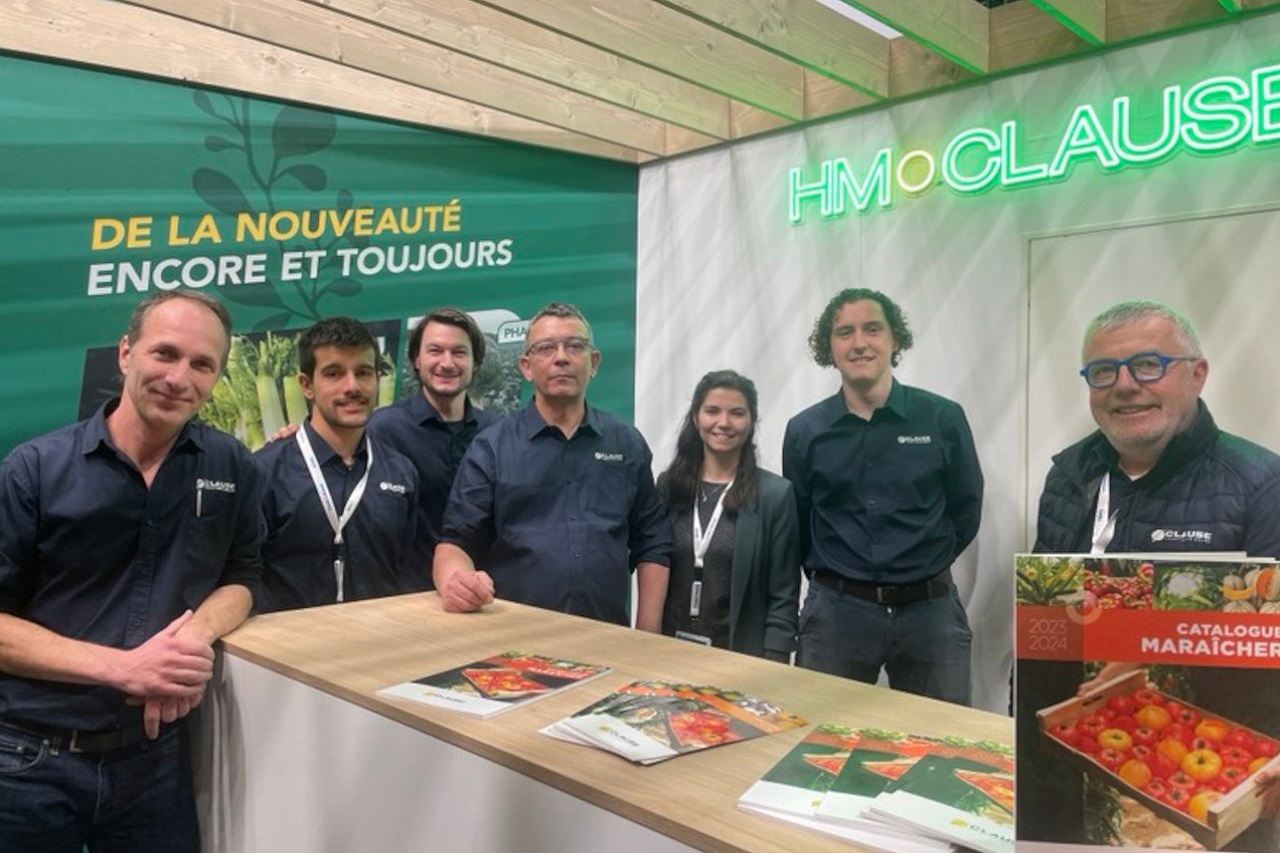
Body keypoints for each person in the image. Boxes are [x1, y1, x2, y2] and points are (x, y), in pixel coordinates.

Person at [0, 291, 264, 851]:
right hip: (29, 761)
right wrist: (125, 669)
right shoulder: (35, 468)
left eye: (201, 364)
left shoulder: (231, 464)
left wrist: (193, 636)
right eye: (164, 353)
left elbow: (243, 576)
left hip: (156, 762)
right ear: (126, 353)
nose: (178, 378)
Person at [1018, 299, 1280, 848]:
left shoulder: (1260, 483)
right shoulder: (1067, 476)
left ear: (1197, 374)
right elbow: (1046, 611)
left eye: (1148, 365)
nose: (1124, 386)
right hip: (1079, 752)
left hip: (1217, 775)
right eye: (1103, 371)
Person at [782, 287, 983, 705]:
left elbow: (966, 507)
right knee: (818, 734)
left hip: (930, 613)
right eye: (845, 333)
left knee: (942, 737)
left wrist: (921, 561)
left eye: (872, 329)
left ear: (894, 340)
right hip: (837, 614)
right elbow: (798, 523)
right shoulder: (805, 431)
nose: (859, 343)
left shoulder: (942, 418)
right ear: (830, 347)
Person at [433, 302, 672, 629]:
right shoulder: (492, 447)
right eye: (546, 348)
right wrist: (456, 582)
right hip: (512, 638)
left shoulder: (627, 443)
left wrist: (647, 635)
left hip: (606, 636)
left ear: (594, 362)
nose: (561, 357)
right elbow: (456, 543)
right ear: (526, 367)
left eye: (574, 346)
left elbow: (653, 544)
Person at [254, 317, 420, 611]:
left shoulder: (401, 472)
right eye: (334, 374)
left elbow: (405, 568)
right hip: (288, 638)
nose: (352, 386)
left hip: (380, 633)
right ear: (307, 385)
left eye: (363, 372)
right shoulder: (264, 472)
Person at [657, 370, 800, 661]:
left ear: (752, 421)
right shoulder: (669, 486)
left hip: (739, 657)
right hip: (669, 651)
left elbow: (783, 595)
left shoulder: (775, 495)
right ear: (696, 417)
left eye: (736, 413)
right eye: (712, 411)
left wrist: (775, 661)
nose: (723, 423)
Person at [367, 308, 500, 578]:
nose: (447, 363)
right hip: (405, 592)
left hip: (482, 589)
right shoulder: (381, 429)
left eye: (459, 352)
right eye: (435, 351)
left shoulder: (497, 433)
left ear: (475, 363)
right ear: (417, 359)